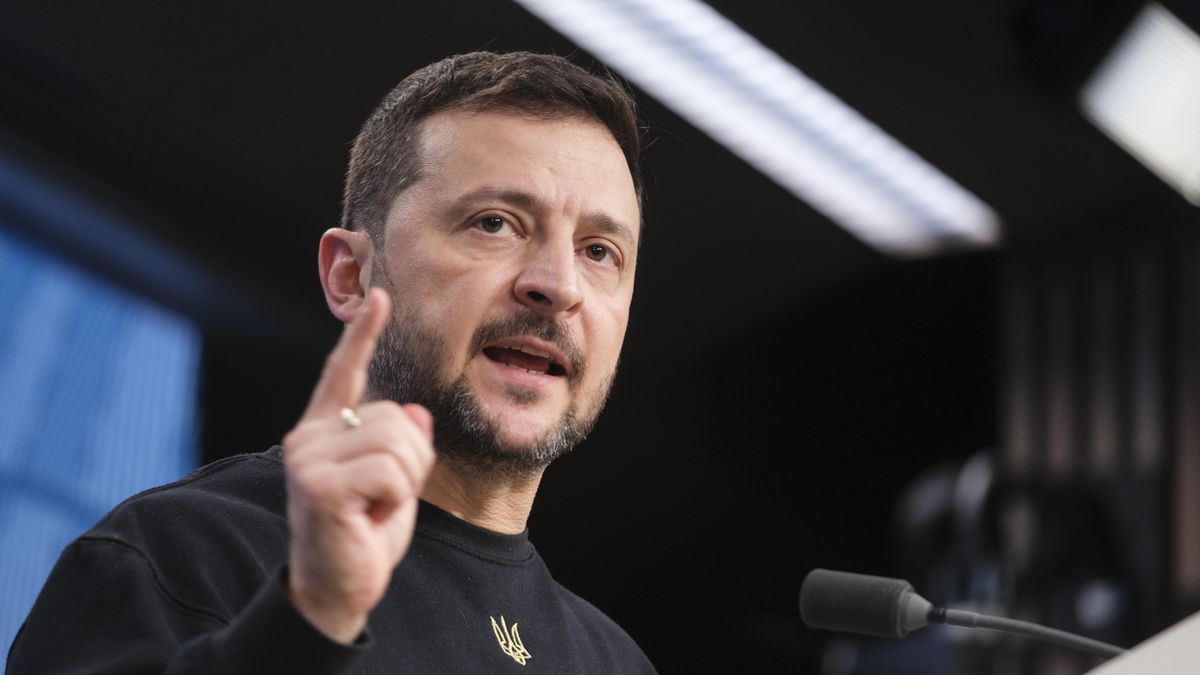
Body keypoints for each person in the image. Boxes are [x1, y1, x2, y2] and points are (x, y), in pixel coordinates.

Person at [7, 51, 655, 673]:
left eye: (600, 251)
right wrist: (309, 618)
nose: (558, 284)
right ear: (350, 274)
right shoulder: (175, 555)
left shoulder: (617, 662)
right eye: (495, 223)